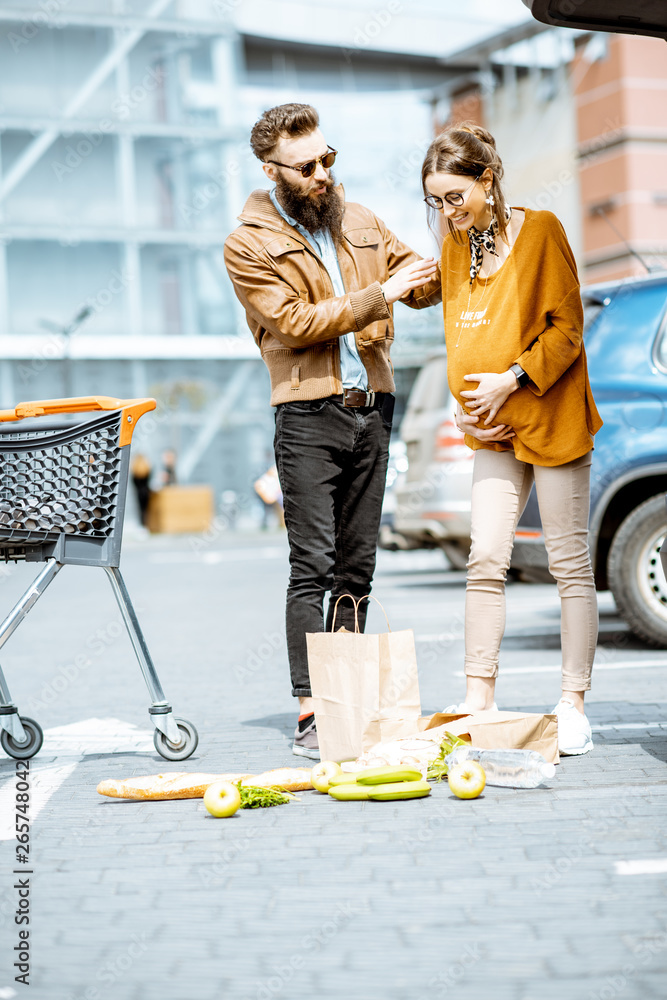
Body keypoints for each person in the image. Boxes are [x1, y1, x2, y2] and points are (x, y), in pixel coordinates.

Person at [224, 103, 441, 760]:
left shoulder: (361, 219)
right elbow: (294, 321)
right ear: (272, 170)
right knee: (310, 567)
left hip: (372, 407)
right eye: (307, 166)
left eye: (328, 159)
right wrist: (384, 293)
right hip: (306, 415)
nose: (322, 174)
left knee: (358, 565)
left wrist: (452, 250)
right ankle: (309, 709)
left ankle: (347, 700)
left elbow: (418, 283)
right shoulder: (247, 243)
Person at [421, 122, 602, 756]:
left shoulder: (543, 231)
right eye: (435, 201)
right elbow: (457, 341)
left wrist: (511, 379)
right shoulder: (452, 249)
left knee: (568, 565)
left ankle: (572, 704)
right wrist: (466, 413)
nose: (446, 213)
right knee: (484, 559)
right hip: (492, 430)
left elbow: (567, 330)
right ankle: (478, 696)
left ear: (487, 182)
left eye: (454, 197)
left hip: (550, 419)